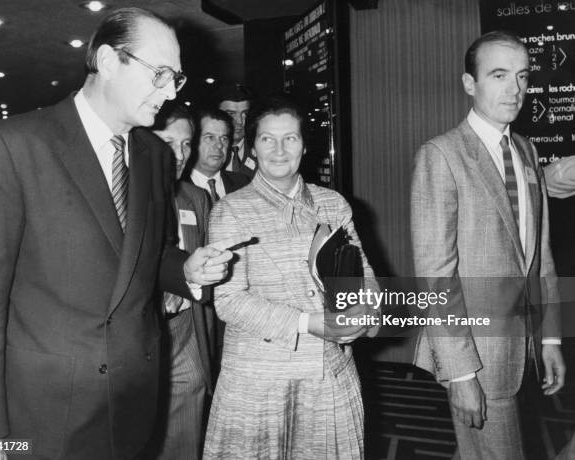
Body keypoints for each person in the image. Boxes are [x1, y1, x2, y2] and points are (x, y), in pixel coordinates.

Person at [0, 8, 233, 460]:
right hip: (43, 416)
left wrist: (182, 266)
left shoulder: (153, 155)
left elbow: (141, 251)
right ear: (108, 61)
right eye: (161, 74)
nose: (169, 92)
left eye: (177, 80)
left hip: (132, 405)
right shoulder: (13, 146)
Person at [410, 30, 565, 460]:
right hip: (475, 353)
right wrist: (460, 374)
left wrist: (550, 340)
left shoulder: (528, 151)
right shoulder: (442, 155)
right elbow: (435, 275)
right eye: (499, 75)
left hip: (524, 345)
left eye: (522, 76)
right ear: (469, 83)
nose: (514, 89)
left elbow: (541, 257)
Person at [203, 94, 380, 459]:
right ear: (252, 146)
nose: (279, 150)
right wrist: (306, 322)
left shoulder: (333, 204)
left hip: (329, 374)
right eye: (267, 138)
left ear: (304, 145)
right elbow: (230, 301)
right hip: (258, 382)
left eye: (291, 138)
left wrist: (367, 310)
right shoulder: (231, 211)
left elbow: (363, 275)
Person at [151, 106, 217, 460]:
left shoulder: (195, 198)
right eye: (167, 142)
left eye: (186, 143)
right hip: (137, 335)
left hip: (186, 333)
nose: (178, 155)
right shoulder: (115, 196)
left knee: (184, 438)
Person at [188, 108, 249, 201]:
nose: (219, 145)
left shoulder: (243, 184)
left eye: (224, 138)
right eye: (210, 137)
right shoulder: (176, 189)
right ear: (193, 141)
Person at [216, 83, 256, 179]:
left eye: (245, 113)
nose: (239, 121)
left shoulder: (261, 151)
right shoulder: (202, 154)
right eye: (231, 114)